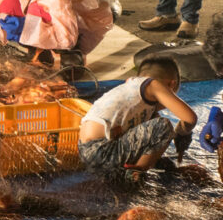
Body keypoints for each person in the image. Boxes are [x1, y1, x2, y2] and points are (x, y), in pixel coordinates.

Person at [79, 57, 196, 186]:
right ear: (171, 85)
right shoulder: (154, 85)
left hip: (85, 152)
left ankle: (124, 171)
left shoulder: (131, 85)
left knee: (155, 123)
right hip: (102, 150)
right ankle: (134, 175)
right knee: (163, 125)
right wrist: (181, 132)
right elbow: (190, 118)